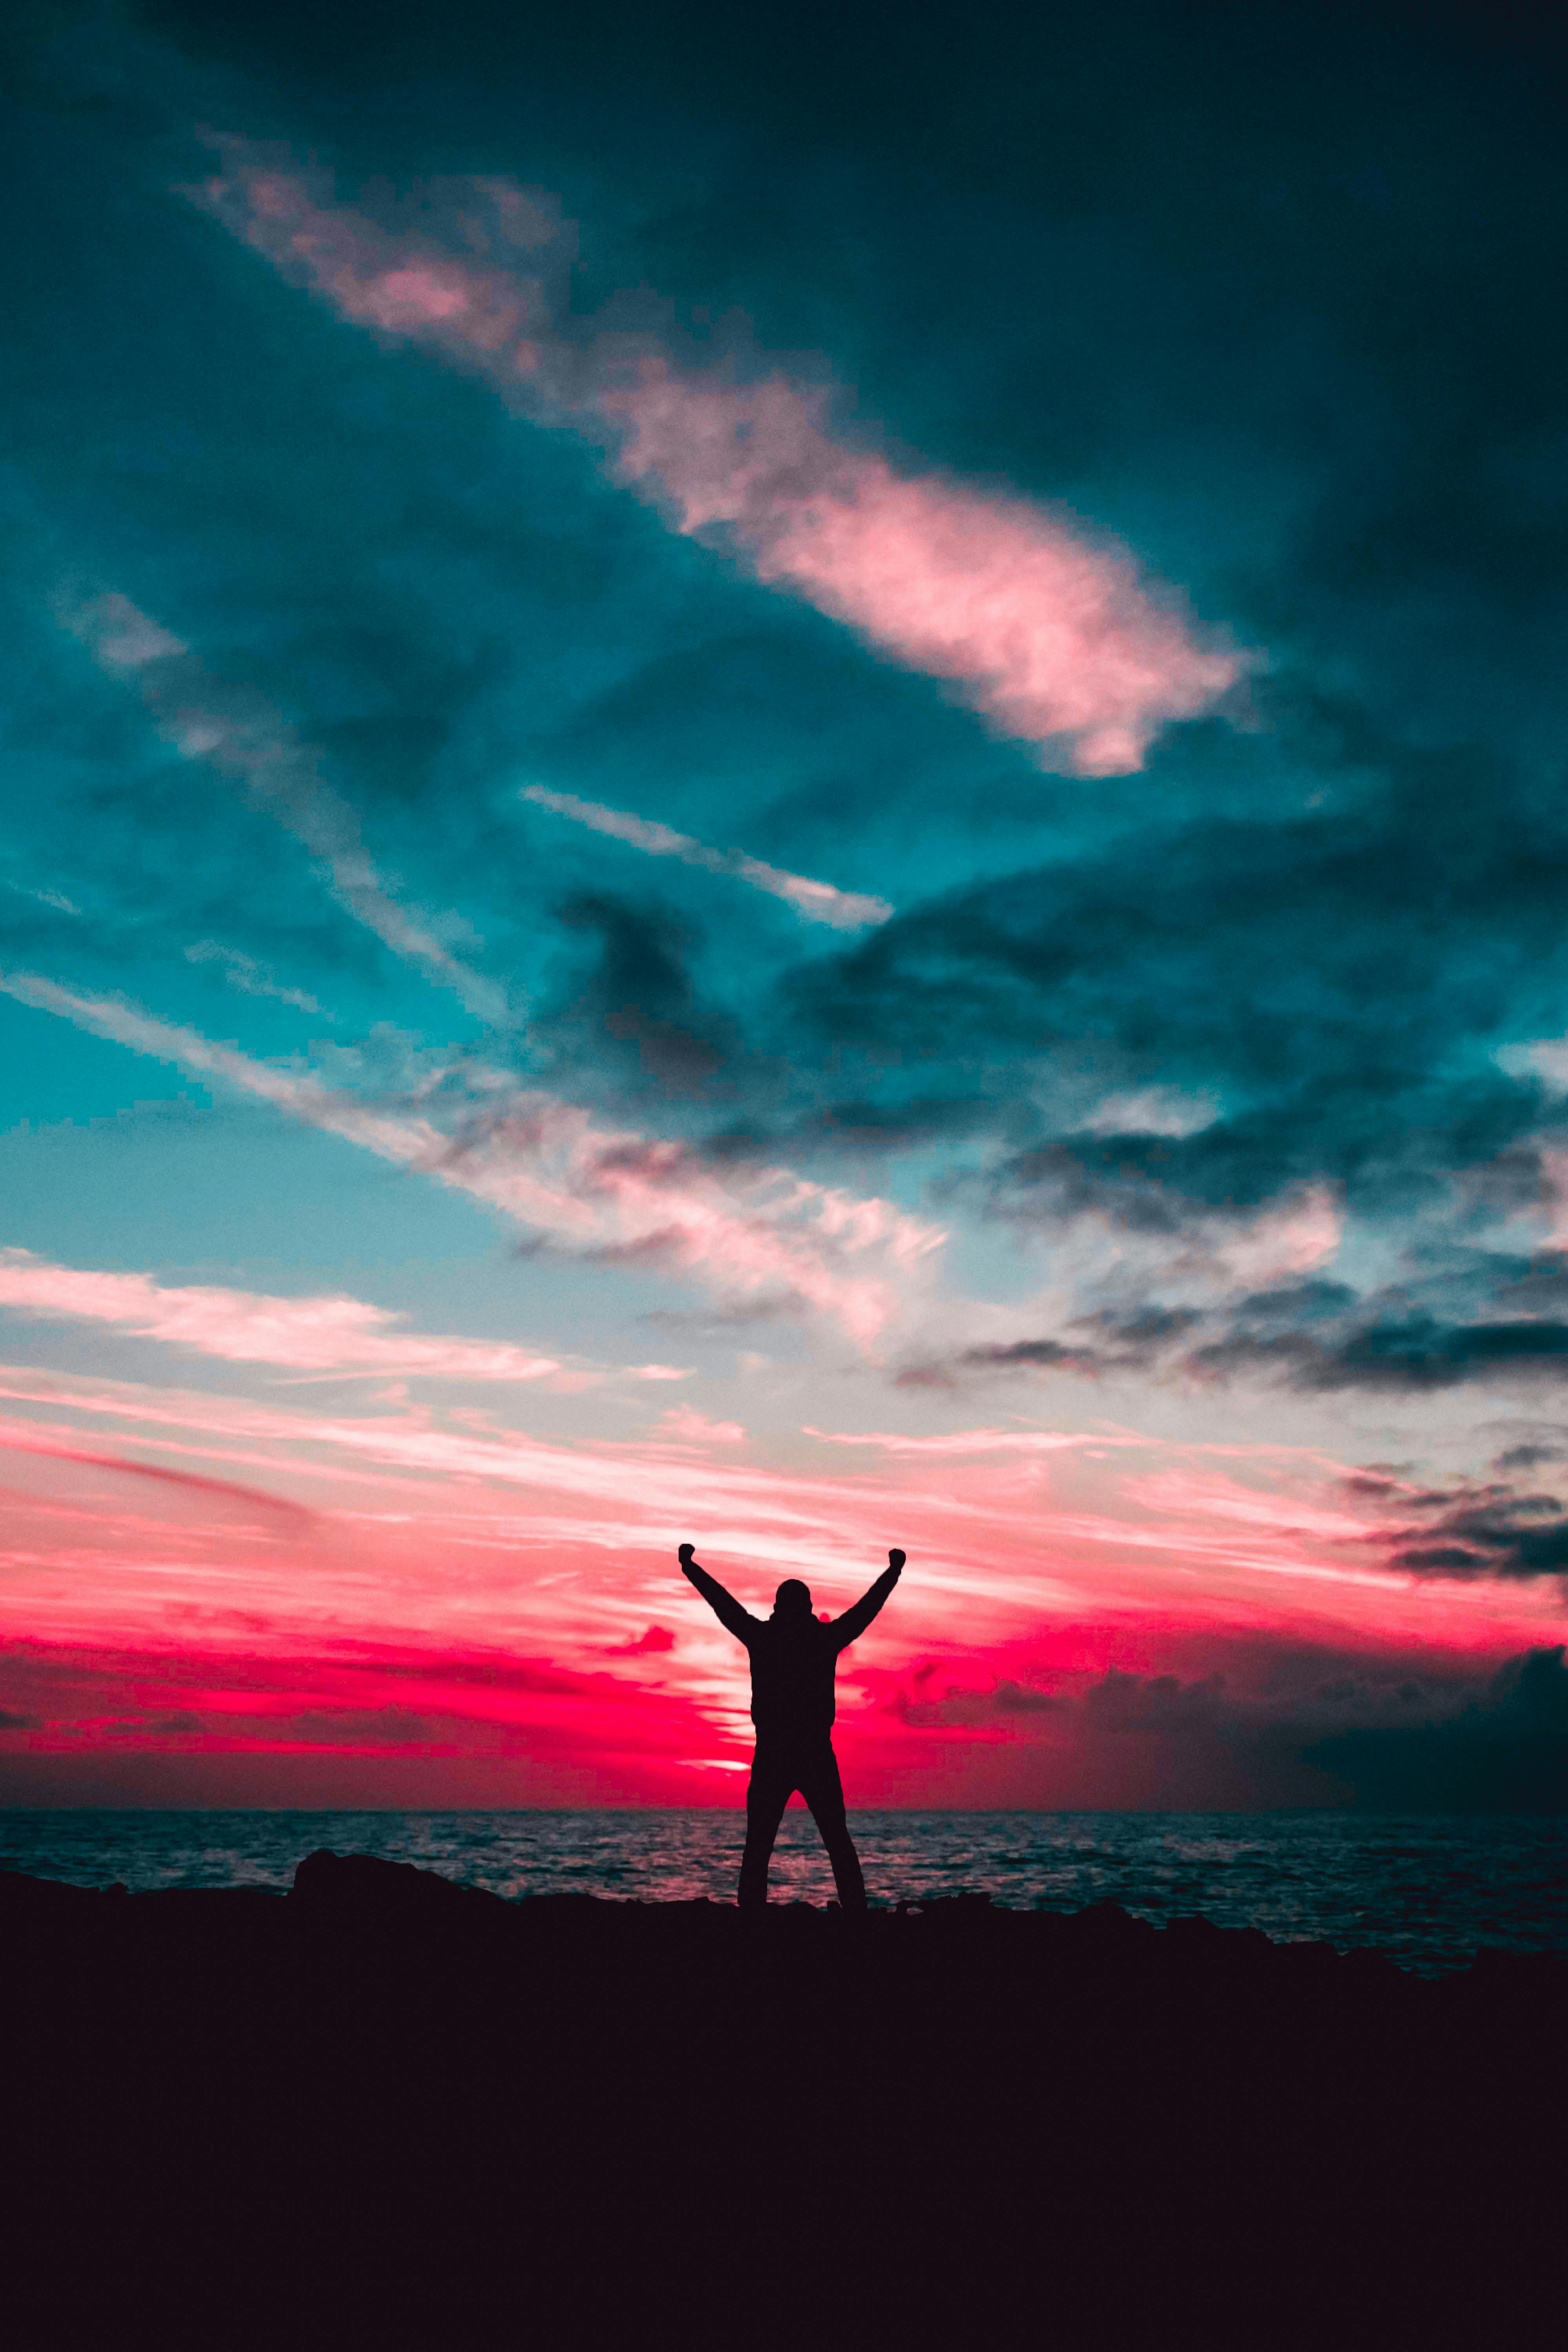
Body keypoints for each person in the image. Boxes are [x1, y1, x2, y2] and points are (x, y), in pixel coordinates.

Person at [677, 1540, 905, 1911]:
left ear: (777, 1608)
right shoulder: (821, 1639)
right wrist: (893, 1572)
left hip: (781, 1754)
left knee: (763, 1847)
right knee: (833, 1842)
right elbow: (866, 1610)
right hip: (807, 1754)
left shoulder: (767, 1637)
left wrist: (690, 1567)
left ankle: (756, 1916)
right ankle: (855, 1917)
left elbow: (723, 1603)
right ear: (809, 1609)